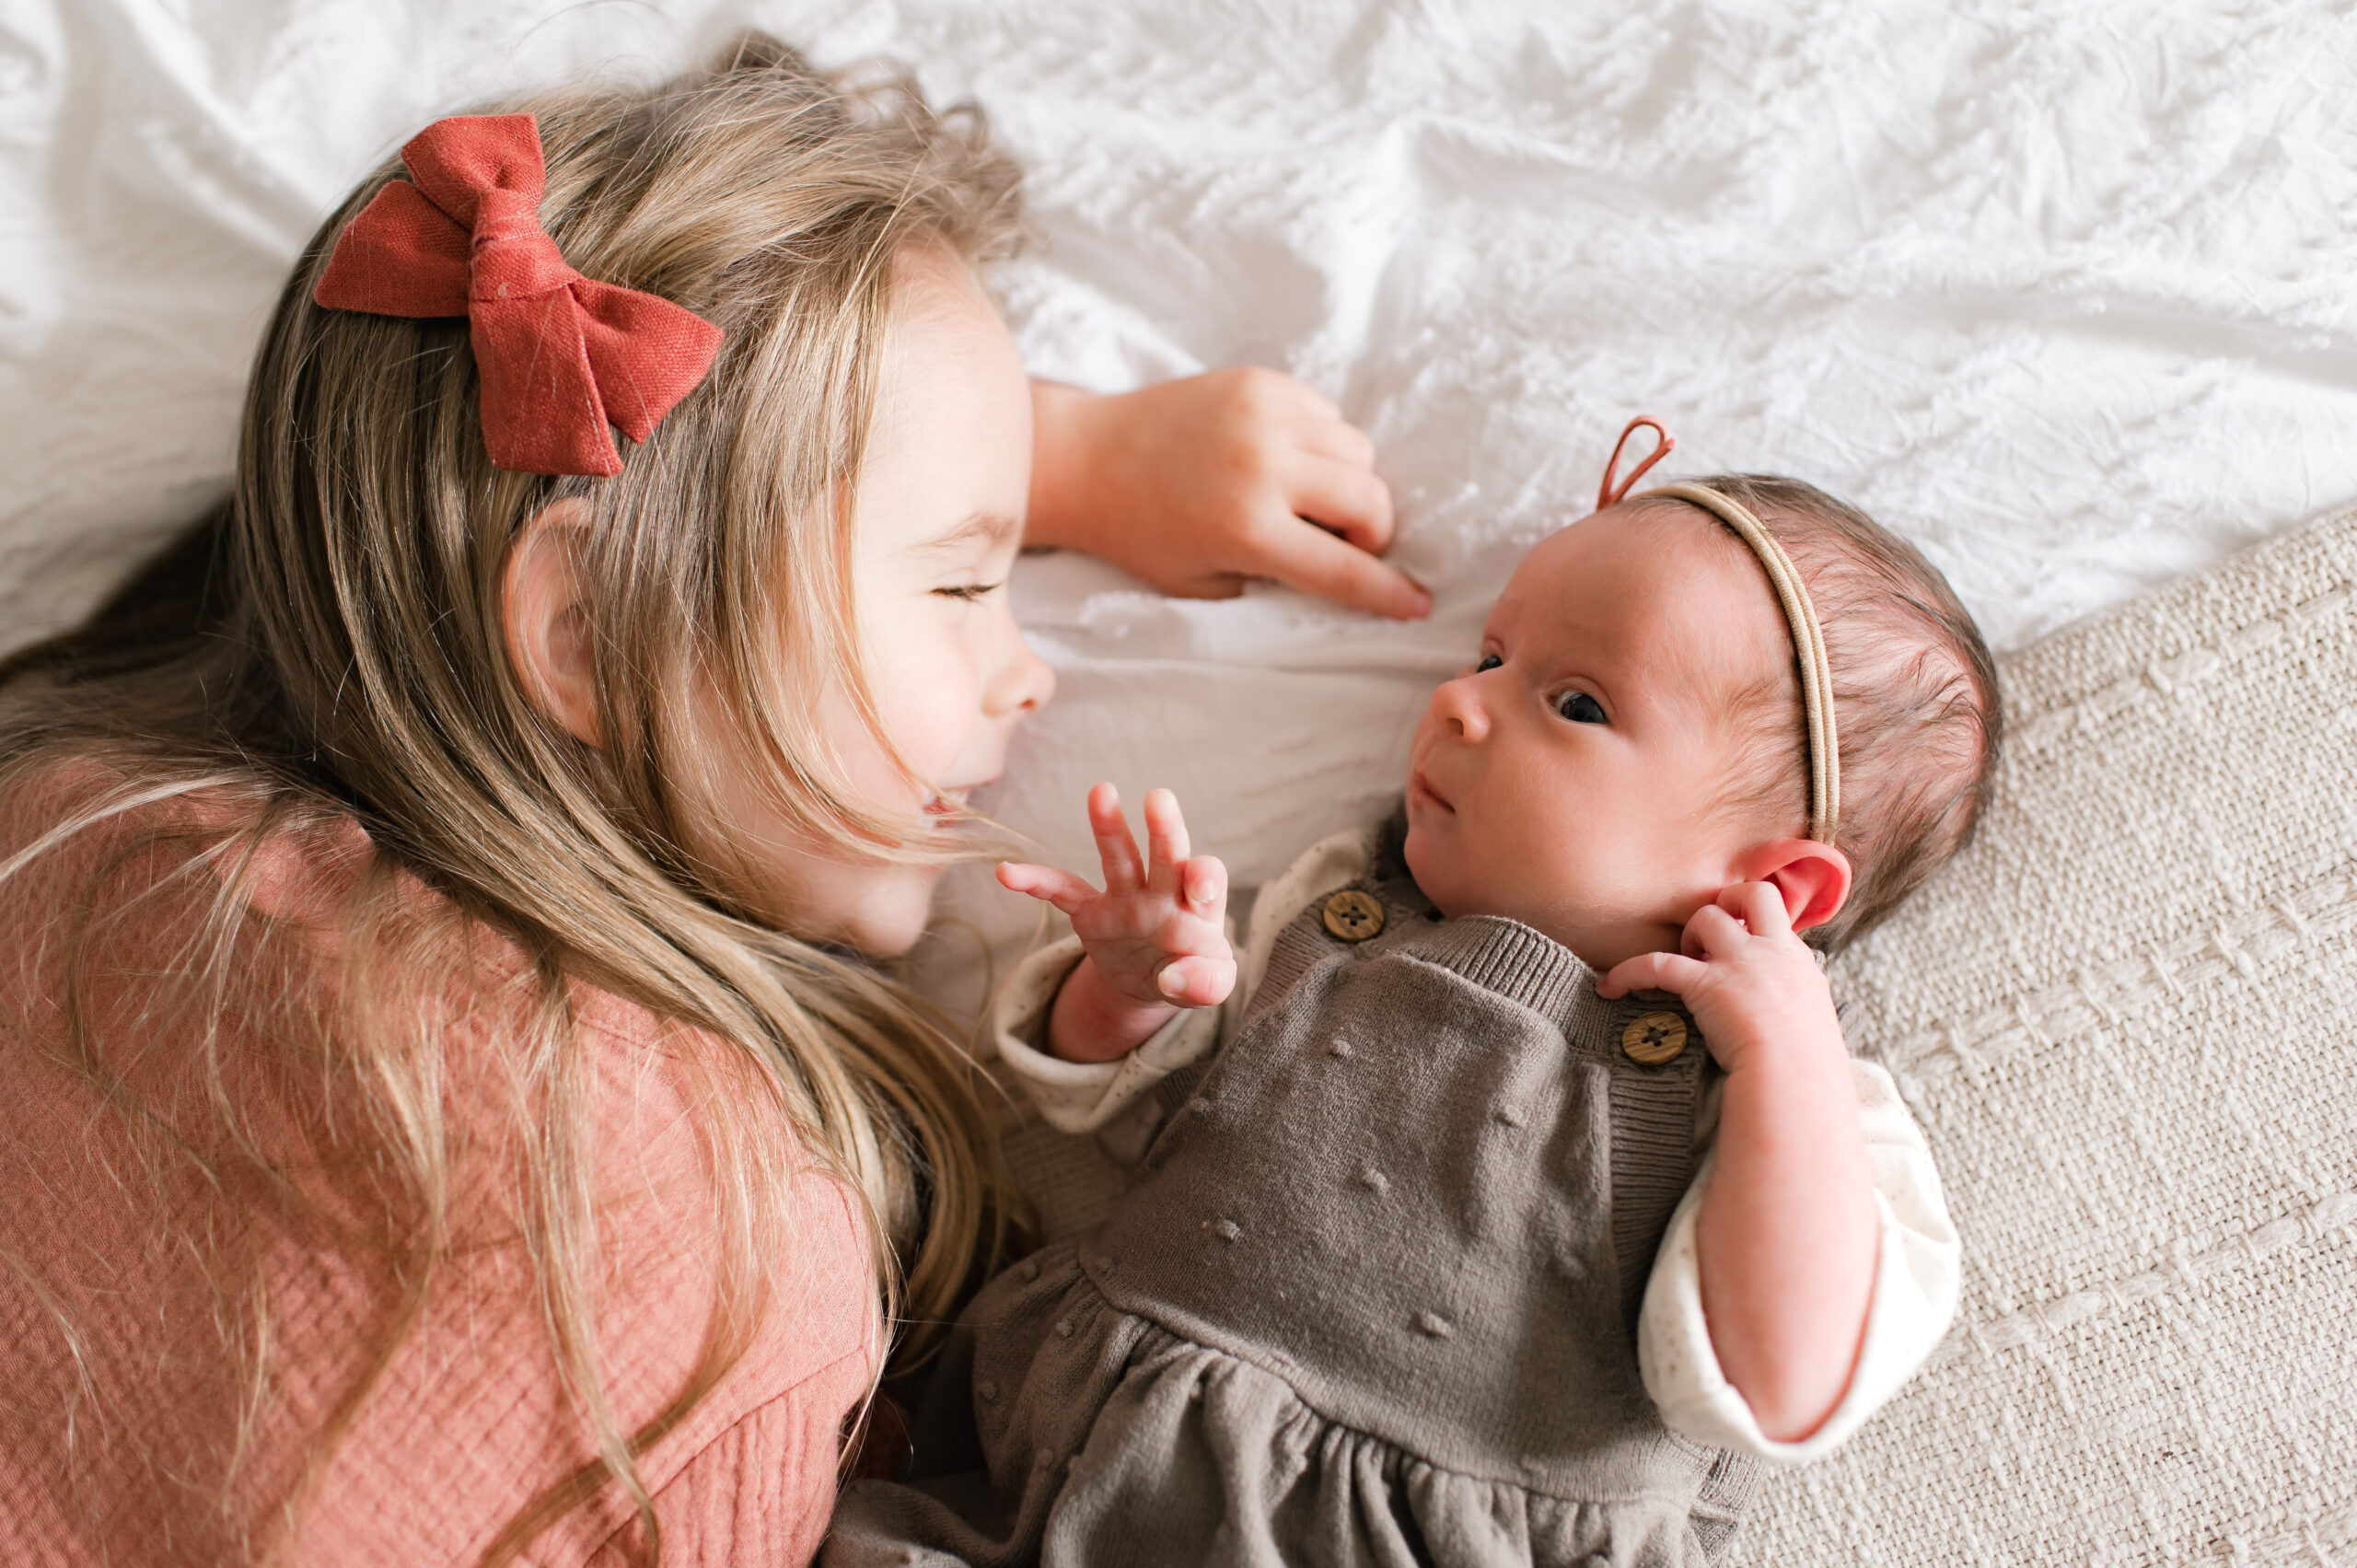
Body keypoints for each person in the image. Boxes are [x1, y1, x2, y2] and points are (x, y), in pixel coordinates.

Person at [0, 35, 1423, 1567]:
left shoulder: (73, 822)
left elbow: (382, 465)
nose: (1030, 675)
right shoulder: (730, 1232)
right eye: (960, 578)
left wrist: (1037, 459)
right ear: (585, 634)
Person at [824, 430, 1998, 1565]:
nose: (1457, 702)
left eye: (1577, 703)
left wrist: (1782, 1056)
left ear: (1774, 884)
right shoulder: (1341, 914)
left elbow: (1782, 1378)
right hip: (1075, 1462)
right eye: (1490, 656)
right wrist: (1129, 992)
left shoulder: (1788, 1112)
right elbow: (1142, 1109)